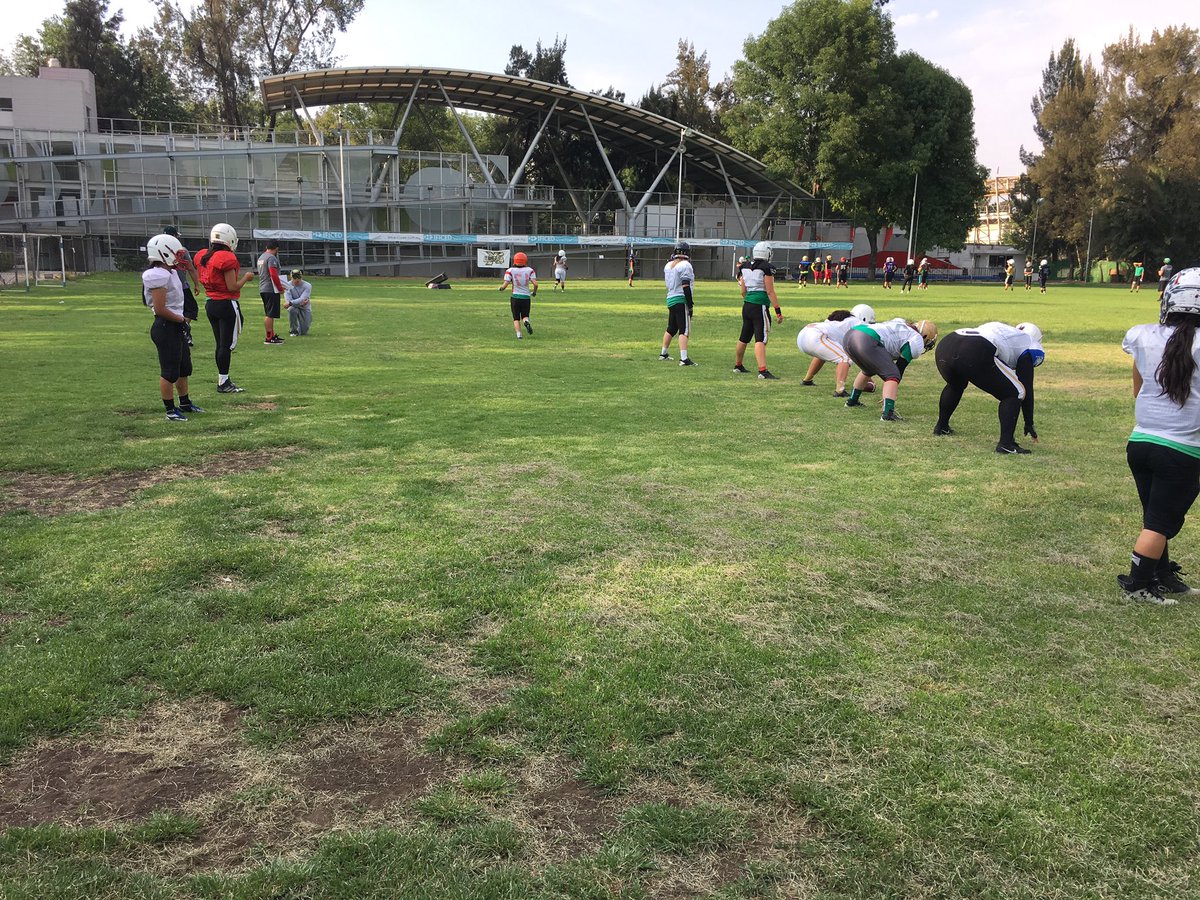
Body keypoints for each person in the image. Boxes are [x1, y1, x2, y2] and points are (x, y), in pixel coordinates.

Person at [1118, 268, 1200, 605]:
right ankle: (1139, 585)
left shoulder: (1142, 335)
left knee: (1155, 515)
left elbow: (1138, 390)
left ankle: (1160, 575)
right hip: (1182, 449)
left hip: (1141, 442)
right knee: (1160, 521)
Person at [933, 322, 1044, 454]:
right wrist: (1029, 422)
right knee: (1015, 392)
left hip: (948, 343)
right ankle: (1006, 444)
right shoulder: (1031, 344)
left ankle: (942, 426)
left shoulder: (1005, 331)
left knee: (956, 384)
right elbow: (1026, 385)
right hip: (973, 348)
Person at [145, 234, 204, 421]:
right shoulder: (158, 274)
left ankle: (185, 402)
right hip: (166, 326)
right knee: (170, 371)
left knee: (183, 367)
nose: (180, 258)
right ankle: (170, 410)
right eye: (176, 254)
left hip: (175, 325)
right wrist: (181, 320)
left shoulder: (170, 272)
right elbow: (160, 308)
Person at [195, 223, 253, 394]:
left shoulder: (203, 255)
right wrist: (246, 278)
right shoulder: (226, 258)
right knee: (226, 345)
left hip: (210, 303)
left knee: (221, 344)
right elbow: (233, 287)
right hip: (226, 304)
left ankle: (223, 378)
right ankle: (224, 381)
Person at [844, 317, 937, 421]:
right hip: (866, 339)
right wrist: (888, 395)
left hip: (850, 335)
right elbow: (900, 367)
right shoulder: (916, 339)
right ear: (924, 335)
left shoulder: (900, 323)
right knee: (893, 375)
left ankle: (852, 401)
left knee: (868, 369)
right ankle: (888, 413)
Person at [733, 241, 784, 379]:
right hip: (759, 306)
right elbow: (770, 291)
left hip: (747, 304)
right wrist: (778, 311)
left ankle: (738, 365)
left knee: (744, 336)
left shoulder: (744, 266)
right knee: (760, 338)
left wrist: (749, 298)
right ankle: (762, 371)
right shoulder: (767, 268)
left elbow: (743, 290)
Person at [801, 303, 875, 390]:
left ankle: (807, 380)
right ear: (864, 317)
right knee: (844, 358)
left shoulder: (841, 319)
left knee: (823, 354)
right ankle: (840, 390)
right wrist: (867, 378)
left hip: (804, 334)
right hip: (815, 335)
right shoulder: (857, 323)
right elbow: (860, 354)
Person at [659, 241, 696, 366]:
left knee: (672, 327)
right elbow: (685, 285)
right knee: (684, 330)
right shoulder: (685, 265)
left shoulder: (668, 265)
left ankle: (663, 353)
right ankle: (684, 358)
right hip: (680, 299)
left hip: (670, 298)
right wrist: (690, 304)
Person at [163, 226, 199, 348]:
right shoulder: (181, 250)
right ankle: (183, 330)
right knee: (191, 309)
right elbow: (190, 268)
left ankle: (176, 333)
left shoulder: (159, 249)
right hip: (180, 286)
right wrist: (196, 284)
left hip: (163, 287)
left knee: (171, 310)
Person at [500, 251, 537, 339]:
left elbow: (505, 284)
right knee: (525, 316)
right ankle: (526, 321)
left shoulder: (510, 270)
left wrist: (501, 288)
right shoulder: (530, 270)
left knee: (516, 318)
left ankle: (519, 335)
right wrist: (534, 292)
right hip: (526, 297)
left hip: (515, 296)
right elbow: (536, 284)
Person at [257, 239, 285, 344]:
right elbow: (273, 274)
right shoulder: (271, 258)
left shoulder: (262, 257)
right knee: (270, 314)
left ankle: (272, 335)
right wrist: (280, 288)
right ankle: (269, 337)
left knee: (269, 313)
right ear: (276, 248)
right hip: (270, 289)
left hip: (263, 287)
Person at [284, 269, 312, 336]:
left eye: (298, 277)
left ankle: (301, 329)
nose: (297, 280)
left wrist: (291, 303)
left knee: (303, 332)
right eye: (295, 278)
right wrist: (293, 303)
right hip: (294, 307)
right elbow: (288, 299)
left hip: (305, 307)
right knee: (292, 309)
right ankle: (293, 330)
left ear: (301, 277)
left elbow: (303, 298)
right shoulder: (287, 285)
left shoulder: (307, 285)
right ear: (291, 277)